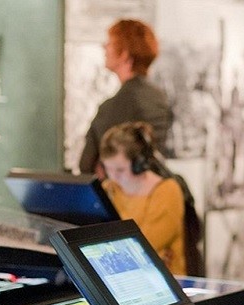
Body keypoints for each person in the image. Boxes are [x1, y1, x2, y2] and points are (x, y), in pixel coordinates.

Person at [79, 19, 173, 176]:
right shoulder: (159, 98)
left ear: (124, 54)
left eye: (109, 43)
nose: (104, 47)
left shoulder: (113, 106)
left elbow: (86, 164)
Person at [99, 122, 186, 275]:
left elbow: (143, 248)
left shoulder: (166, 191)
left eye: (120, 169)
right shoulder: (109, 189)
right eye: (108, 168)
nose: (113, 176)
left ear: (140, 164)